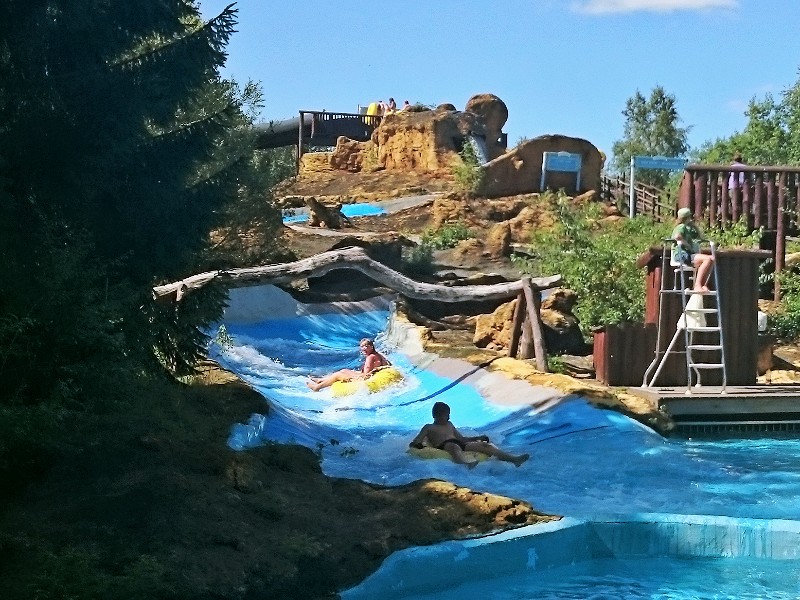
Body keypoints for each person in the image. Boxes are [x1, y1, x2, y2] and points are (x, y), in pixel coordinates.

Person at [409, 402, 529, 469]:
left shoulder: (449, 424)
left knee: (485, 446)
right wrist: (417, 445)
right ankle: (466, 463)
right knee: (453, 446)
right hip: (444, 445)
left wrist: (478, 438)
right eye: (447, 415)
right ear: (438, 415)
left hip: (458, 443)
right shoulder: (429, 427)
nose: (449, 417)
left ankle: (514, 459)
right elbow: (417, 441)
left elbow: (461, 439)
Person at [307, 338, 390, 392]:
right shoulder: (378, 355)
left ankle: (317, 387)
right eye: (362, 346)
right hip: (373, 376)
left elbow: (366, 374)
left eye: (366, 346)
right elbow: (388, 365)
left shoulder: (370, 357)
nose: (364, 348)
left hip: (365, 380)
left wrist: (356, 376)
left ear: (371, 347)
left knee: (338, 375)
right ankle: (321, 380)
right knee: (344, 371)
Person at [672, 207, 714, 292]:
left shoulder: (689, 228)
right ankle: (697, 285)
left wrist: (695, 226)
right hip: (682, 254)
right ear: (687, 217)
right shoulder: (681, 227)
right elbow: (677, 236)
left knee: (712, 259)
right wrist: (687, 244)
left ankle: (702, 285)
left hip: (688, 254)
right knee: (707, 259)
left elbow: (700, 237)